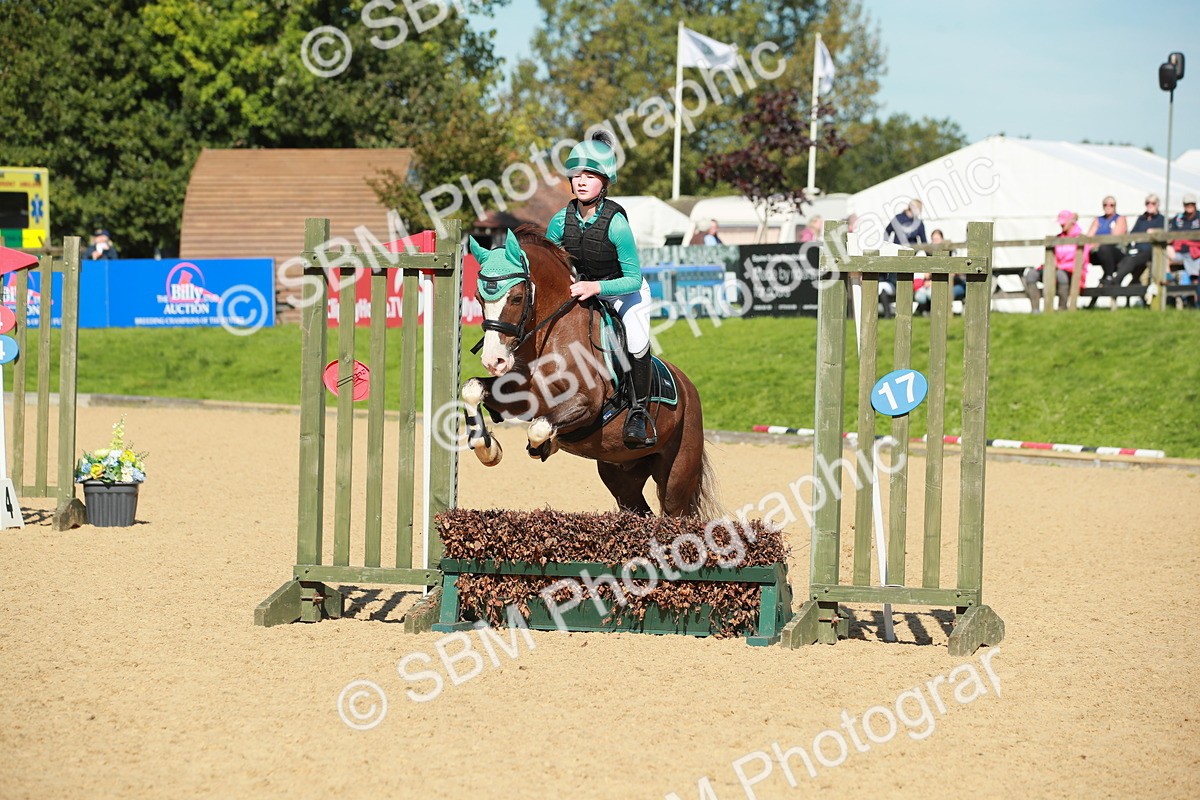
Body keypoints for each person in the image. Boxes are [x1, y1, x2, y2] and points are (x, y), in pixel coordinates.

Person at [545, 131, 656, 449]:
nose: (581, 181)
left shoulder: (617, 224)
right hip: (584, 289)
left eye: (591, 175)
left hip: (625, 292)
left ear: (605, 183)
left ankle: (638, 412)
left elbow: (633, 278)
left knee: (636, 342)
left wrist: (596, 286)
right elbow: (549, 262)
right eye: (577, 174)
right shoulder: (560, 221)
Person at [1023, 210, 1089, 312]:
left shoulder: (1081, 238)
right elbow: (1052, 257)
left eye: (1063, 222)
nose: (1061, 225)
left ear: (1071, 221)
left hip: (1072, 273)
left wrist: (1061, 266)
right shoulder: (1058, 238)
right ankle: (1035, 310)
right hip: (1054, 269)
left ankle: (1062, 308)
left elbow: (1082, 261)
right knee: (1031, 274)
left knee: (1060, 275)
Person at [1110, 195, 1165, 302]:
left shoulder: (1162, 219)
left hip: (1151, 252)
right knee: (1126, 260)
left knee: (1131, 261)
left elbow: (1167, 235)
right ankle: (1117, 282)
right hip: (1137, 250)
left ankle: (1116, 280)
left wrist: (1155, 232)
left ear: (1158, 205)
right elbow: (1133, 234)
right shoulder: (1141, 219)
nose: (1150, 205)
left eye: (1153, 203)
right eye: (1148, 203)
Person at [880, 200, 927, 317]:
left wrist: (931, 261)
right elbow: (887, 232)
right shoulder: (898, 218)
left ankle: (904, 311)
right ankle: (893, 311)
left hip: (910, 259)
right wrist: (887, 248)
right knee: (896, 283)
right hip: (895, 258)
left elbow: (924, 242)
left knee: (906, 283)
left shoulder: (919, 223)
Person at [914, 229, 965, 314]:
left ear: (942, 239)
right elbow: (926, 275)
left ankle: (939, 312)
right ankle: (927, 311)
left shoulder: (951, 253)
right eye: (934, 240)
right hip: (931, 284)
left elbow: (954, 274)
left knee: (935, 294)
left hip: (951, 284)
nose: (936, 242)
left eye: (937, 239)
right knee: (921, 296)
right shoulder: (928, 254)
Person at [1085, 196, 1127, 284]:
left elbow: (1115, 238)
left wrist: (1097, 242)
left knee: (1104, 248)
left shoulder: (1120, 218)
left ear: (1115, 206)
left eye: (1111, 205)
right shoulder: (1098, 220)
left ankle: (1108, 276)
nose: (1108, 207)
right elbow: (1089, 238)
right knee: (1085, 252)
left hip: (1116, 250)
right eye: (1105, 205)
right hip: (1098, 251)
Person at [1168, 193, 1200, 293]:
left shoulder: (1199, 217)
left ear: (1195, 204)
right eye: (1187, 204)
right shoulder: (1178, 218)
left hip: (1196, 253)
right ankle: (1168, 278)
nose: (1189, 206)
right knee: (1164, 251)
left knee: (1195, 278)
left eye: (1191, 204)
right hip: (1179, 252)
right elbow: (1169, 235)